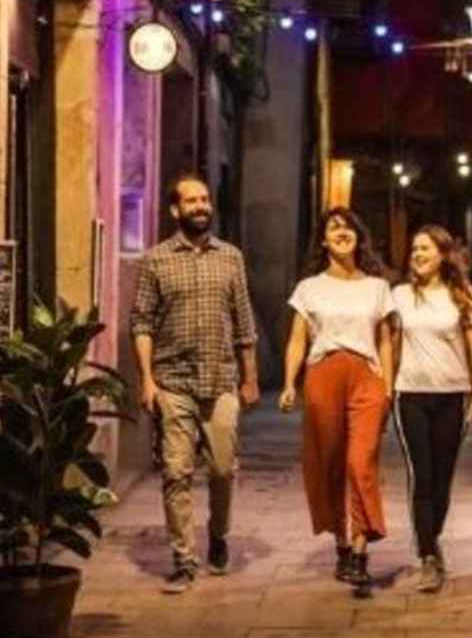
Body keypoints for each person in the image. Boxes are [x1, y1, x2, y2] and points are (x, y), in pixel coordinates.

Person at [129, 174, 260, 594]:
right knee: (176, 472)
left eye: (205, 200)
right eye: (192, 201)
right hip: (173, 382)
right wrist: (147, 380)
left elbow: (244, 322)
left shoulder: (231, 257)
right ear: (175, 209)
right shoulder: (155, 260)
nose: (201, 206)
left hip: (221, 379)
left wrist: (250, 376)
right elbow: (141, 323)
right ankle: (184, 560)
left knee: (222, 469)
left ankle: (218, 536)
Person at [279, 208, 395, 597]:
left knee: (360, 462)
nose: (341, 232)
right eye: (333, 227)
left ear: (359, 237)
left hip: (367, 375)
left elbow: (385, 339)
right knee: (327, 462)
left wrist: (388, 385)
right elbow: (297, 338)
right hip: (323, 373)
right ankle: (341, 545)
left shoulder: (378, 287)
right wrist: (288, 384)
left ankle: (362, 551)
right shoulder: (309, 287)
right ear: (324, 241)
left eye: (348, 227)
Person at [389, 226, 472, 593]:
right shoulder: (399, 296)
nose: (417, 254)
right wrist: (386, 390)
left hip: (452, 395)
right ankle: (429, 554)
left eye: (425, 248)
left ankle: (432, 538)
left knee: (443, 478)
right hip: (411, 395)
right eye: (414, 248)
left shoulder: (462, 296)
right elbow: (392, 346)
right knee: (422, 476)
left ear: (443, 254)